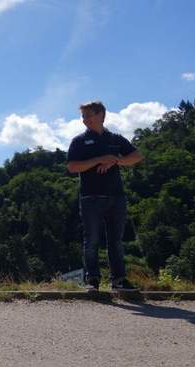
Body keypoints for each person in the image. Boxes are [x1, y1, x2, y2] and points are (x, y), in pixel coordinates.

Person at [67, 101, 143, 293]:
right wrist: (99, 159)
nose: (85, 120)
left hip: (116, 197)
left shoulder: (115, 139)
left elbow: (137, 156)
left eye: (88, 115)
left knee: (116, 241)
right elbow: (73, 167)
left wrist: (116, 159)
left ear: (101, 115)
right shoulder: (79, 141)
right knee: (91, 240)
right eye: (83, 116)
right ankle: (92, 280)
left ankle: (118, 280)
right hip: (90, 197)